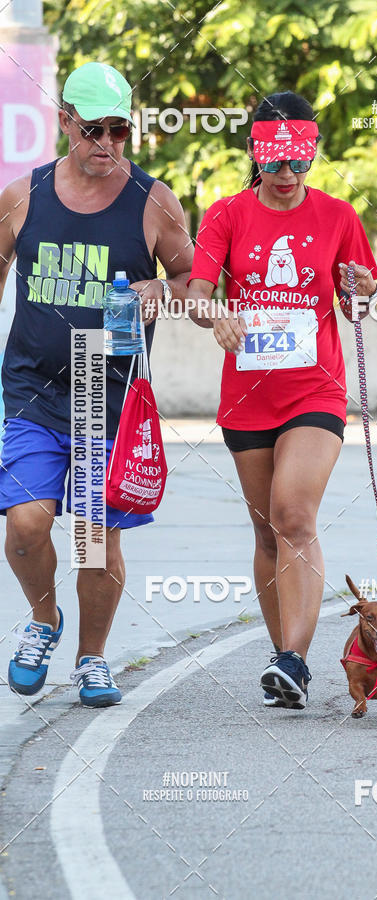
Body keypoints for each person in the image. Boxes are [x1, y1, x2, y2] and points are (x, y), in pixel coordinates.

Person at [0, 62, 193, 706]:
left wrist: (162, 287)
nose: (106, 143)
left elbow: (200, 283)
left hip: (104, 398)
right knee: (26, 524)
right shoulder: (23, 196)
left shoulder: (153, 200)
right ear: (65, 124)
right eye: (93, 129)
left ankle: (91, 657)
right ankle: (44, 619)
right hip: (31, 388)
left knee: (92, 538)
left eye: (119, 130)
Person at [187, 91, 377, 709]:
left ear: (314, 155)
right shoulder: (226, 215)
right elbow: (195, 292)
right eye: (277, 164)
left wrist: (363, 286)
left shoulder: (338, 216)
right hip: (247, 398)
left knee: (293, 513)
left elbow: (357, 300)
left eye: (301, 163)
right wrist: (214, 313)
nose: (290, 176)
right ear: (254, 155)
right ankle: (287, 665)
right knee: (268, 532)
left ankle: (294, 655)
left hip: (315, 391)